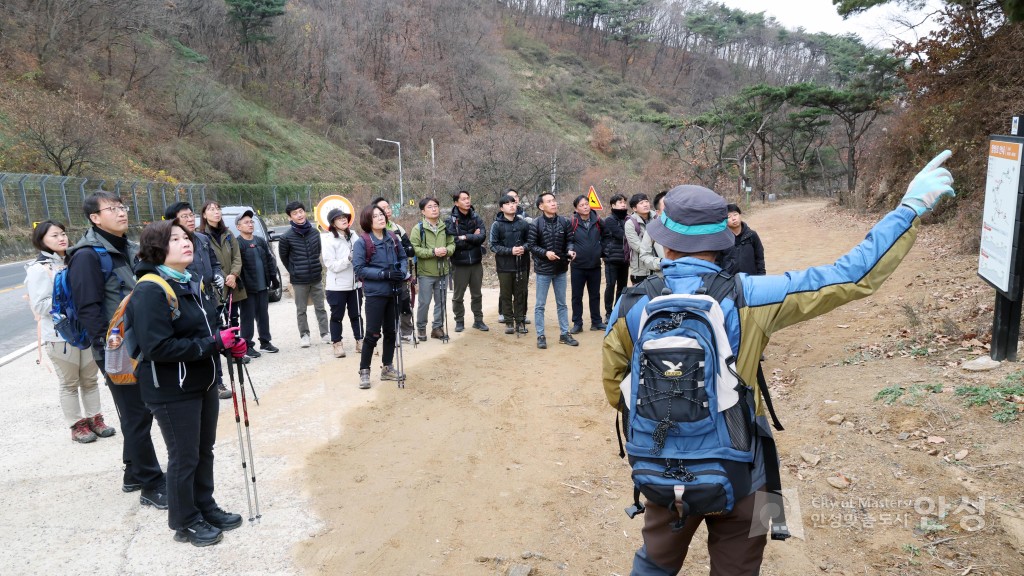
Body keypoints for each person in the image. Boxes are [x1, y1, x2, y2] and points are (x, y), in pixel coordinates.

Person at [602, 151, 955, 575]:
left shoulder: (633, 302)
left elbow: (615, 386)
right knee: (739, 567)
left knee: (654, 565)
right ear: (721, 239)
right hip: (742, 467)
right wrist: (908, 209)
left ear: (665, 240)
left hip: (661, 468)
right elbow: (853, 275)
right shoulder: (754, 295)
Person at [127, 220, 245, 547]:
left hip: (201, 380)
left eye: (187, 237)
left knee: (202, 450)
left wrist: (227, 341)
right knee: (184, 456)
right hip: (171, 389)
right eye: (175, 239)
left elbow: (207, 328)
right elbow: (157, 347)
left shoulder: (191, 280)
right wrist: (213, 344)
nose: (186, 243)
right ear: (157, 248)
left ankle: (204, 506)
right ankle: (185, 521)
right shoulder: (151, 289)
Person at [66, 191, 166, 508]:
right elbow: (89, 308)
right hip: (117, 350)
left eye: (122, 207)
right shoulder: (87, 256)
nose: (122, 212)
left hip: (137, 343)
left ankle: (133, 473)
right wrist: (109, 353)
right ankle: (152, 484)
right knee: (137, 414)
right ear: (95, 218)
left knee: (139, 412)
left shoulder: (126, 248)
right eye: (113, 209)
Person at [25, 220, 114, 443]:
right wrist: (69, 301)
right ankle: (77, 425)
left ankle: (96, 419)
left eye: (63, 233)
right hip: (60, 335)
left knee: (90, 380)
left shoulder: (76, 261)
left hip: (86, 331)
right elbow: (39, 306)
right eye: (54, 235)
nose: (61, 238)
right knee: (69, 383)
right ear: (41, 240)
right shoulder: (39, 269)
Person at [168, 202, 231, 400]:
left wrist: (218, 274)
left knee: (215, 336)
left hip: (209, 297)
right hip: (189, 299)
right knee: (199, 338)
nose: (190, 219)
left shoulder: (203, 239)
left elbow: (214, 262)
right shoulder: (170, 246)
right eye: (184, 216)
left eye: (191, 215)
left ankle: (217, 381)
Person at [353, 204, 408, 389]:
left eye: (382, 215)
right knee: (372, 334)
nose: (381, 218)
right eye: (376, 216)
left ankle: (387, 367)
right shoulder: (362, 242)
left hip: (394, 291)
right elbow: (359, 269)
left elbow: (402, 257)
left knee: (391, 332)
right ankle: (364, 371)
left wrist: (401, 272)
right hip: (376, 294)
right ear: (368, 220)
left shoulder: (392, 237)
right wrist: (384, 274)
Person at [526, 192, 577, 349]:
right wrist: (545, 253)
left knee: (562, 303)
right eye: (549, 201)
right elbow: (532, 246)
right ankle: (541, 335)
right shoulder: (536, 224)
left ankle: (564, 334)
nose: (553, 203)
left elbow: (570, 240)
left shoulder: (564, 222)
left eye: (554, 201)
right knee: (540, 305)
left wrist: (570, 250)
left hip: (561, 268)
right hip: (543, 270)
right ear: (541, 206)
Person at [278, 201, 330, 348]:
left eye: (301, 211)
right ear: (290, 217)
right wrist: (295, 271)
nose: (299, 215)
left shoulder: (314, 232)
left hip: (315, 277)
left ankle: (325, 333)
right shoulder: (286, 237)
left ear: (305, 212)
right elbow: (284, 258)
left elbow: (317, 252)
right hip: (299, 280)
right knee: (301, 309)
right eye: (295, 213)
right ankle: (304, 335)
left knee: (320, 307)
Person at [235, 209, 281, 357]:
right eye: (246, 222)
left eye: (251, 221)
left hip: (263, 286)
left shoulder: (260, 241)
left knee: (263, 315)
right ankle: (247, 345)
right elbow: (237, 266)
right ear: (238, 226)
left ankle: (265, 342)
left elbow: (269, 260)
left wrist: (273, 278)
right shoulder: (238, 243)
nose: (250, 224)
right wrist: (240, 284)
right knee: (247, 317)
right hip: (247, 288)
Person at [410, 197, 455, 341]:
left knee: (441, 301)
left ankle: (437, 328)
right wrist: (433, 252)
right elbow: (415, 249)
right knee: (424, 302)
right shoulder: (419, 229)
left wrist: (446, 251)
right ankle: (421, 328)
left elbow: (452, 244)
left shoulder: (445, 226)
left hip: (443, 270)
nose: (434, 209)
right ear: (423, 211)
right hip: (426, 272)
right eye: (430, 207)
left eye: (436, 206)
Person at [198, 201, 246, 336]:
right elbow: (206, 261)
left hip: (232, 283)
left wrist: (234, 275)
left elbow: (237, 256)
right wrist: (226, 277)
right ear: (204, 215)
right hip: (215, 285)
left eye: (218, 208)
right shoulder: (200, 235)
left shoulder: (228, 233)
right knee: (216, 319)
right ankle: (221, 349)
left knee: (234, 318)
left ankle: (237, 351)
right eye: (211, 209)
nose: (216, 212)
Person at [322, 207, 363, 357]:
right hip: (337, 286)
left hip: (356, 284)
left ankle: (360, 341)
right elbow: (331, 265)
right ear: (333, 223)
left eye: (345, 217)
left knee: (356, 314)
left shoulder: (354, 235)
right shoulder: (328, 239)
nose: (344, 220)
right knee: (337, 316)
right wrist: (349, 259)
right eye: (339, 218)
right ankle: (337, 344)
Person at [373, 197, 415, 341]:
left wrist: (406, 252)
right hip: (384, 275)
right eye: (382, 209)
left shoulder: (397, 228)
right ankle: (391, 333)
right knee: (388, 305)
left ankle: (406, 332)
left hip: (400, 273)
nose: (387, 210)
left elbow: (409, 249)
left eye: (388, 207)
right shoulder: (372, 232)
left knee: (404, 302)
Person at [446, 190, 488, 332]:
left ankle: (478, 320)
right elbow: (454, 242)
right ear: (456, 203)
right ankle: (459, 321)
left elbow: (482, 236)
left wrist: (465, 237)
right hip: (459, 263)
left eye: (468, 198)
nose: (467, 201)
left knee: (477, 294)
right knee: (458, 295)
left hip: (476, 262)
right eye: (463, 199)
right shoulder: (450, 220)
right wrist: (471, 237)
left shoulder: (476, 217)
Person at [489, 194, 531, 334]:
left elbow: (530, 241)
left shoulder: (523, 223)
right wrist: (510, 251)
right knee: (506, 294)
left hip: (521, 265)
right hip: (504, 266)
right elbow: (493, 245)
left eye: (513, 203)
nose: (512, 205)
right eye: (507, 204)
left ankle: (520, 320)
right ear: (501, 208)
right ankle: (508, 322)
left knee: (521, 293)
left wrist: (523, 248)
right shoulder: (497, 225)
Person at [568, 194, 606, 333]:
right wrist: (570, 249)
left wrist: (602, 250)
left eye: (586, 204)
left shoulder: (598, 220)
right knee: (577, 296)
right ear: (576, 209)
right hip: (578, 265)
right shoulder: (572, 222)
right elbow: (569, 239)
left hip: (595, 265)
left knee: (595, 295)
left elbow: (606, 236)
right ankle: (577, 323)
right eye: (581, 205)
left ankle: (596, 321)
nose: (585, 207)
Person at [601, 194, 629, 324]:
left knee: (622, 287)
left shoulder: (628, 218)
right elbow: (621, 235)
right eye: (620, 202)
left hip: (625, 258)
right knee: (611, 285)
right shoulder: (610, 220)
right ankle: (608, 312)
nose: (623, 204)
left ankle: (618, 310)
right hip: (612, 258)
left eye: (624, 202)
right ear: (613, 205)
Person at [625, 193, 656, 284]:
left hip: (657, 268)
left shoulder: (657, 218)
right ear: (634, 208)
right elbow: (637, 246)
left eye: (646, 201)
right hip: (640, 270)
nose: (645, 204)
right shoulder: (630, 223)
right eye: (641, 203)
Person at [727, 203, 766, 275]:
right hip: (730, 281)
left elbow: (760, 259)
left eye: (735, 215)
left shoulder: (752, 235)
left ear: (740, 215)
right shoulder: (723, 238)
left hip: (751, 279)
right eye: (729, 217)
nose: (734, 218)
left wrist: (761, 276)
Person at [638, 191, 667, 275]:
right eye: (667, 208)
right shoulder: (653, 229)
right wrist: (661, 262)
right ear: (658, 213)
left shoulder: (690, 226)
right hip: (665, 278)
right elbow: (644, 255)